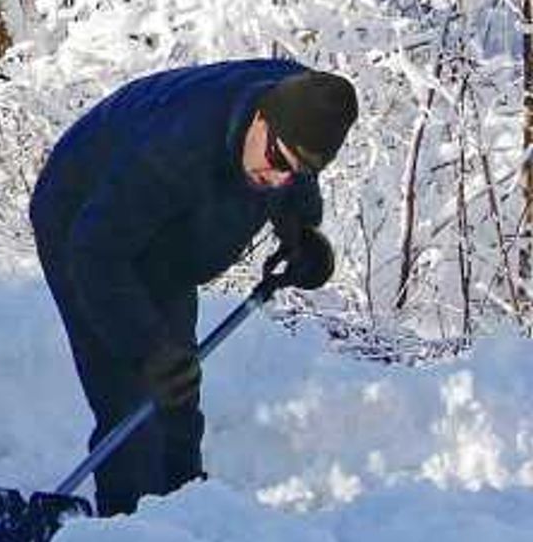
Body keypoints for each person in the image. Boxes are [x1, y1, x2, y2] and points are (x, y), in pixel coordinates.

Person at [27, 60, 351, 516]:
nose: (278, 177)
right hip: (83, 219)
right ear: (260, 117)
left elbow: (292, 175)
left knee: (177, 386)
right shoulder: (175, 148)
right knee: (131, 392)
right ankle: (126, 534)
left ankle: (184, 516)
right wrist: (147, 346)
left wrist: (301, 232)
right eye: (277, 162)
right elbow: (95, 254)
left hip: (165, 231)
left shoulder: (304, 108)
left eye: (294, 172)